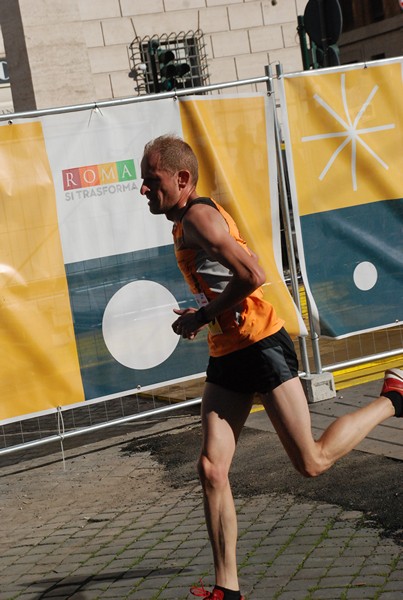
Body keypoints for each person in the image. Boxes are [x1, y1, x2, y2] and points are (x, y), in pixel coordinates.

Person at [140, 134, 403, 600]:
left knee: (311, 462)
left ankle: (392, 399)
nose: (144, 188)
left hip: (261, 345)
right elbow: (229, 280)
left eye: (151, 179)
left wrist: (202, 315)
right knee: (211, 469)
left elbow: (254, 274)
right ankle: (228, 589)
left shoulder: (199, 215)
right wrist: (207, 314)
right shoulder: (182, 223)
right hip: (227, 353)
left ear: (182, 179)